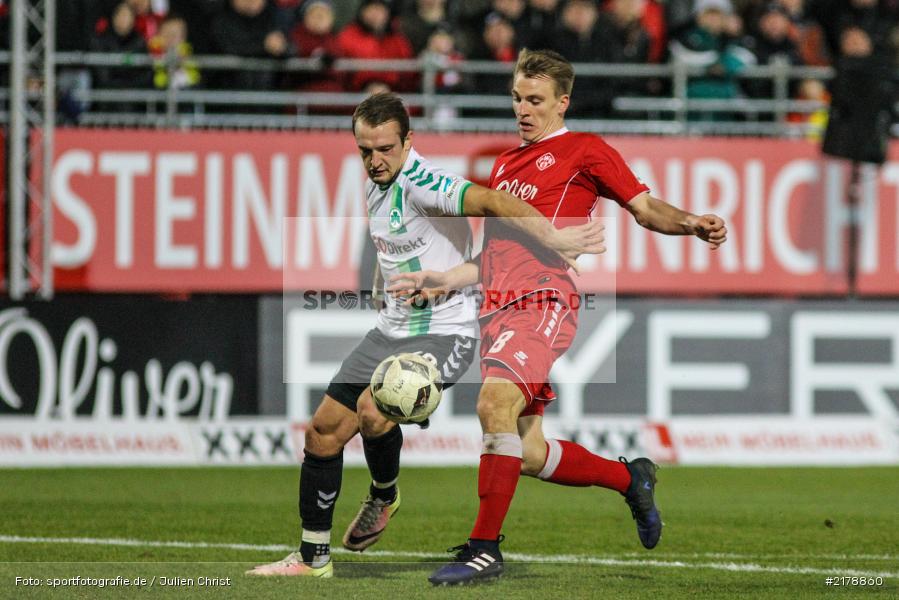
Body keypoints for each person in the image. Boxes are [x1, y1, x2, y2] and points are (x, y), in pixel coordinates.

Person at [391, 49, 727, 585]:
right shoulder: (503, 165)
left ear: (562, 102)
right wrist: (441, 280)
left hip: (544, 300)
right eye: (518, 99)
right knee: (525, 451)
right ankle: (629, 477)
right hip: (499, 310)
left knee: (493, 402)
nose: (523, 110)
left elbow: (643, 206)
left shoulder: (586, 150)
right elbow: (492, 257)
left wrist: (689, 222)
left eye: (535, 100)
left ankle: (483, 549)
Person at [245, 92, 605, 578]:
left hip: (445, 334)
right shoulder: (378, 181)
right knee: (322, 433)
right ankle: (314, 559)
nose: (375, 160)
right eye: (365, 151)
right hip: (390, 330)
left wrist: (556, 238)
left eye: (386, 149)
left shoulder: (424, 181)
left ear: (408, 141)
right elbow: (397, 242)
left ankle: (383, 495)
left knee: (374, 412)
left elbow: (495, 200)